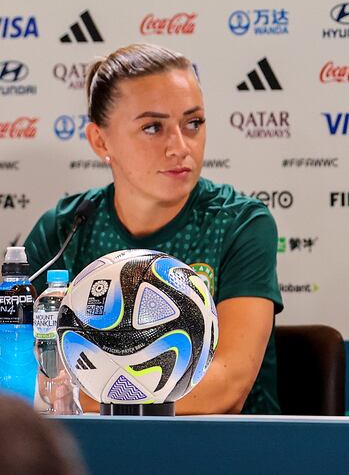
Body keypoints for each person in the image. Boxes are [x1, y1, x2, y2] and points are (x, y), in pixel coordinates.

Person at [23, 44, 283, 414]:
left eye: (193, 123)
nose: (180, 147)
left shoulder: (239, 223)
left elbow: (227, 386)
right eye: (152, 127)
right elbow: (14, 360)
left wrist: (72, 399)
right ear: (100, 140)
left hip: (224, 453)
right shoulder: (63, 228)